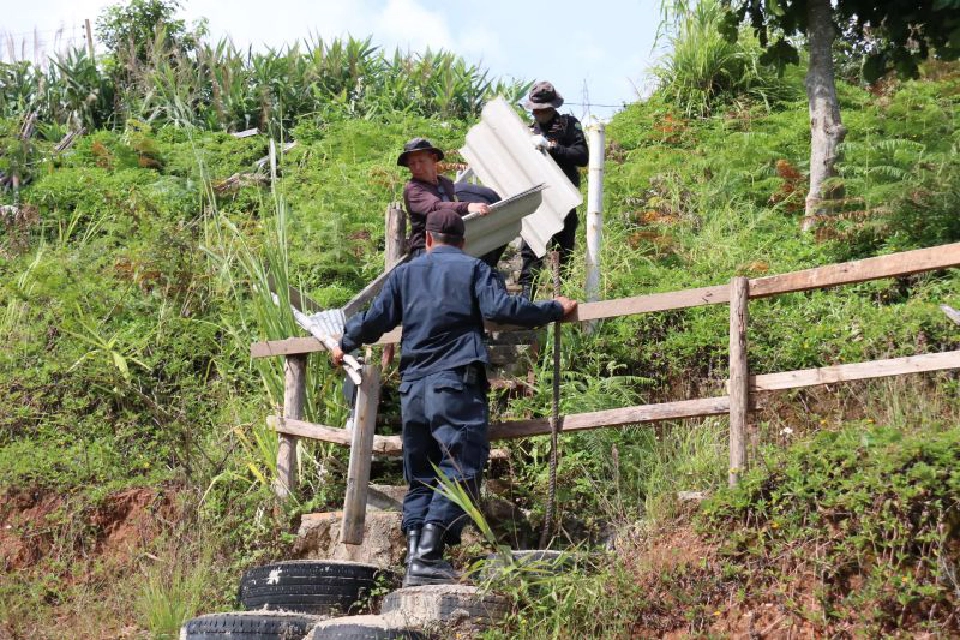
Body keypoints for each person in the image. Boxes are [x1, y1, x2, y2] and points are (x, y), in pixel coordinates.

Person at [331, 210, 578, 587]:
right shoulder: (475, 270)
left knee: (421, 474)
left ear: (428, 240)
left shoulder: (405, 273)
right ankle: (430, 554)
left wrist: (344, 341)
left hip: (413, 388)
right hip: (455, 384)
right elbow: (502, 309)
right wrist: (553, 309)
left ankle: (417, 558)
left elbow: (376, 319)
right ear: (463, 242)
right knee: (461, 463)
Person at [518, 81, 589, 298]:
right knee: (531, 251)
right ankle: (526, 297)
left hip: (563, 200)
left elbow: (582, 156)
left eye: (543, 110)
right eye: (536, 110)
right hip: (536, 200)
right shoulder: (527, 131)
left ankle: (562, 297)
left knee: (563, 251)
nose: (539, 115)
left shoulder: (568, 125)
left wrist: (551, 147)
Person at [399, 137, 489, 260]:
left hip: (451, 243)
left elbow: (454, 209)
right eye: (412, 164)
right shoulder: (413, 189)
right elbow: (436, 207)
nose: (417, 167)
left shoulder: (446, 182)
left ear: (434, 159)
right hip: (425, 248)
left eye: (421, 161)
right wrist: (468, 206)